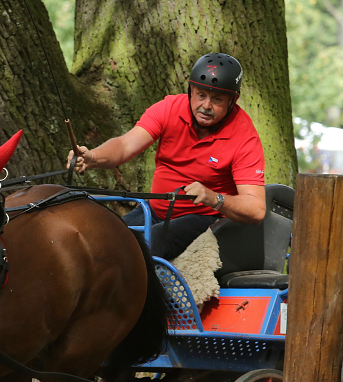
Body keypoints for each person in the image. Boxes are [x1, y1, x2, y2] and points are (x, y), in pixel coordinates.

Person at [67, 53, 266, 259]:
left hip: (205, 220)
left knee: (137, 247)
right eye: (200, 95)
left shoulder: (244, 137)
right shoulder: (169, 108)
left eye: (217, 99)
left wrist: (212, 197)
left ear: (234, 99)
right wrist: (93, 157)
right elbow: (125, 145)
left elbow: (256, 209)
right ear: (191, 90)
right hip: (155, 213)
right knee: (102, 239)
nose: (206, 106)